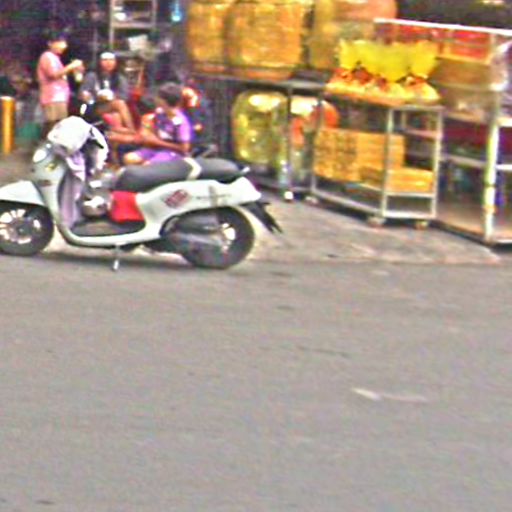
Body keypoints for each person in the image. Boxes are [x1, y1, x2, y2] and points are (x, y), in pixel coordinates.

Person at [121, 82, 193, 166]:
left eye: (158, 97)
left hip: (173, 153)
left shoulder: (181, 122)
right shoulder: (160, 113)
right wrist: (147, 132)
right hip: (156, 149)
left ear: (164, 101)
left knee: (147, 166)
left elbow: (184, 148)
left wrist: (157, 142)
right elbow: (155, 131)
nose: (155, 98)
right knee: (128, 158)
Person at [36, 32, 84, 135]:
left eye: (64, 43)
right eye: (60, 43)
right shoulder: (47, 56)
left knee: (60, 125)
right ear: (50, 43)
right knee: (52, 125)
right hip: (52, 96)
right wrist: (71, 66)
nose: (63, 46)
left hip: (61, 97)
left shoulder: (56, 58)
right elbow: (53, 74)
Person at [78, 51, 135, 132]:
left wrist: (112, 97)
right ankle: (131, 129)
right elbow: (83, 93)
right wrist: (94, 97)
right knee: (119, 104)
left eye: (111, 60)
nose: (108, 63)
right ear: (99, 62)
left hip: (112, 104)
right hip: (95, 107)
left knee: (117, 112)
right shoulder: (91, 76)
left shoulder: (119, 77)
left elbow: (125, 95)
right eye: (105, 60)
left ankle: (121, 133)